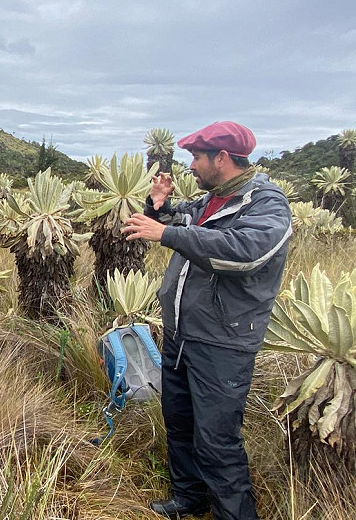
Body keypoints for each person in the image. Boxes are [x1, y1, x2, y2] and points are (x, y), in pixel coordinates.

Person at [122, 122, 292, 520]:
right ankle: (189, 498)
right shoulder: (210, 201)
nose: (191, 166)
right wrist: (159, 205)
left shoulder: (266, 204)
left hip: (223, 341)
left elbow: (244, 252)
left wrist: (165, 232)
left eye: (197, 157)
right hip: (182, 334)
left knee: (217, 439)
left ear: (222, 158)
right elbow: (182, 222)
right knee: (180, 423)